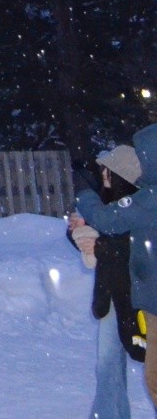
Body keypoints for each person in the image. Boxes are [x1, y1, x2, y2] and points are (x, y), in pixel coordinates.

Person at [76, 127, 157, 412]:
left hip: (148, 300)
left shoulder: (147, 201)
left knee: (153, 376)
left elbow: (107, 223)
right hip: (143, 300)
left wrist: (84, 194)